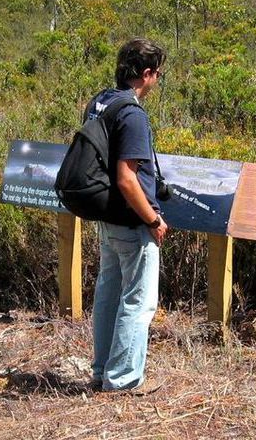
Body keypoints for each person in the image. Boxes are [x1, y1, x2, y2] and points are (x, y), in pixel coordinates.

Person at [88, 37, 169, 394]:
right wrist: (153, 219)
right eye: (157, 75)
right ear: (147, 74)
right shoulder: (133, 114)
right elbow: (126, 177)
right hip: (132, 221)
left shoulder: (101, 100)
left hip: (107, 217)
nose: (157, 81)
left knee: (108, 294)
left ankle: (102, 369)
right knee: (138, 301)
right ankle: (123, 379)